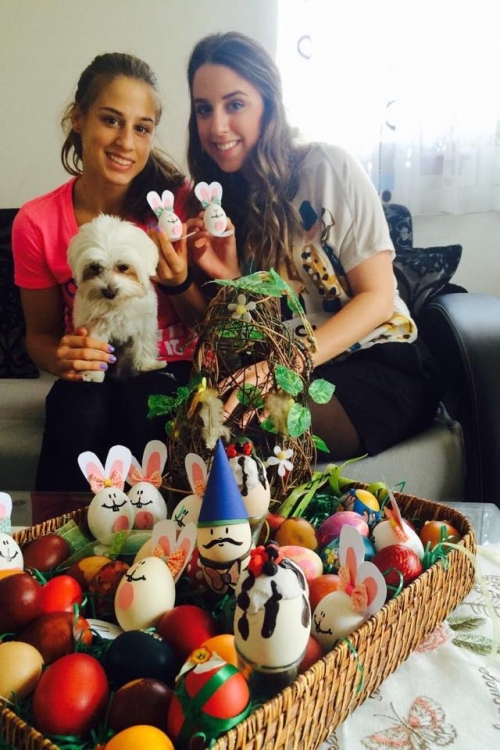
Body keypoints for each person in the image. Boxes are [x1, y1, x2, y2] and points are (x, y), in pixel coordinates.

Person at [184, 31, 444, 461]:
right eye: (203, 109)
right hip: (290, 372)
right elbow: (262, 331)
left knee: (245, 428)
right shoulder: (219, 207)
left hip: (379, 362)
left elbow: (378, 298)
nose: (217, 127)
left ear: (268, 104)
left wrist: (286, 364)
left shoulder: (327, 168)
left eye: (235, 104)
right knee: (198, 418)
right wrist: (228, 274)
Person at [12, 52, 206, 492]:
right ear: (77, 118)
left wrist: (178, 282)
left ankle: (157, 528)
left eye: (142, 128)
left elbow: (209, 324)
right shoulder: (37, 222)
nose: (126, 142)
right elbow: (39, 336)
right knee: (77, 410)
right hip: (91, 366)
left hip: (168, 364)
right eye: (111, 120)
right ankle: (56, 528)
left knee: (143, 409)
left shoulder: (175, 207)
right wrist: (60, 357)